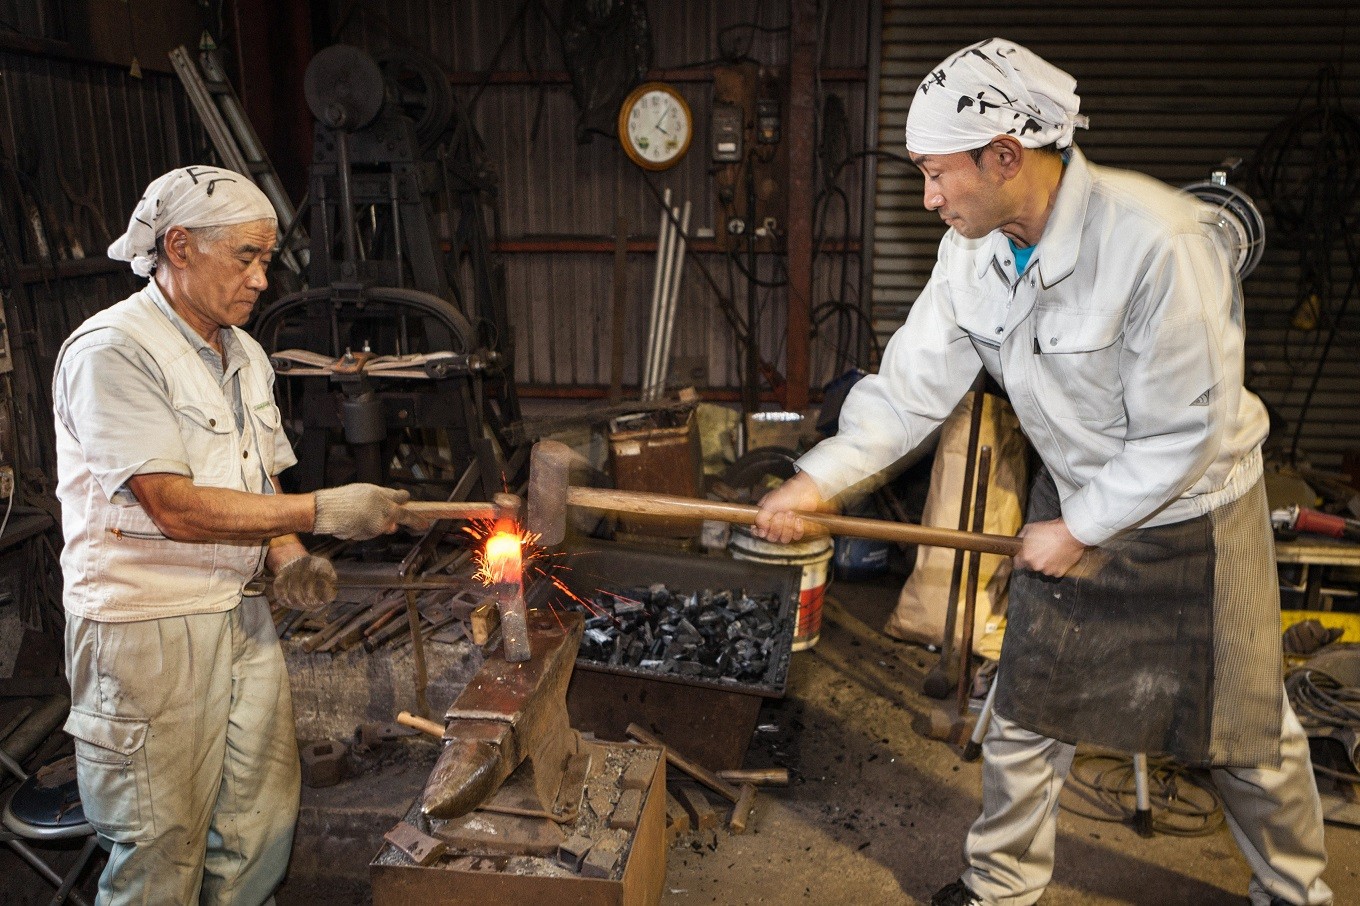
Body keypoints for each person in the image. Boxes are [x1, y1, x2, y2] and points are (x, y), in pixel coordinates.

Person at [755, 39, 1331, 906]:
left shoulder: (1159, 245)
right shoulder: (971, 252)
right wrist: (817, 480)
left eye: (938, 174)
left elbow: (1186, 433)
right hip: (1075, 496)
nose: (929, 198)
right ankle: (999, 889)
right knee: (1025, 712)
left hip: (1198, 515)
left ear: (1006, 156)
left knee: (1248, 734)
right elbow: (910, 389)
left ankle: (1298, 895)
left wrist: (1080, 529)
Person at [52, 166, 423, 905]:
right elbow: (173, 507)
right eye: (245, 258)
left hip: (239, 614)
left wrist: (286, 557)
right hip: (145, 631)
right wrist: (318, 515)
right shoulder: (114, 352)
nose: (261, 278)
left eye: (267, 259)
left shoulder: (243, 353)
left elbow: (257, 479)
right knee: (160, 848)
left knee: (257, 829)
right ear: (179, 247)